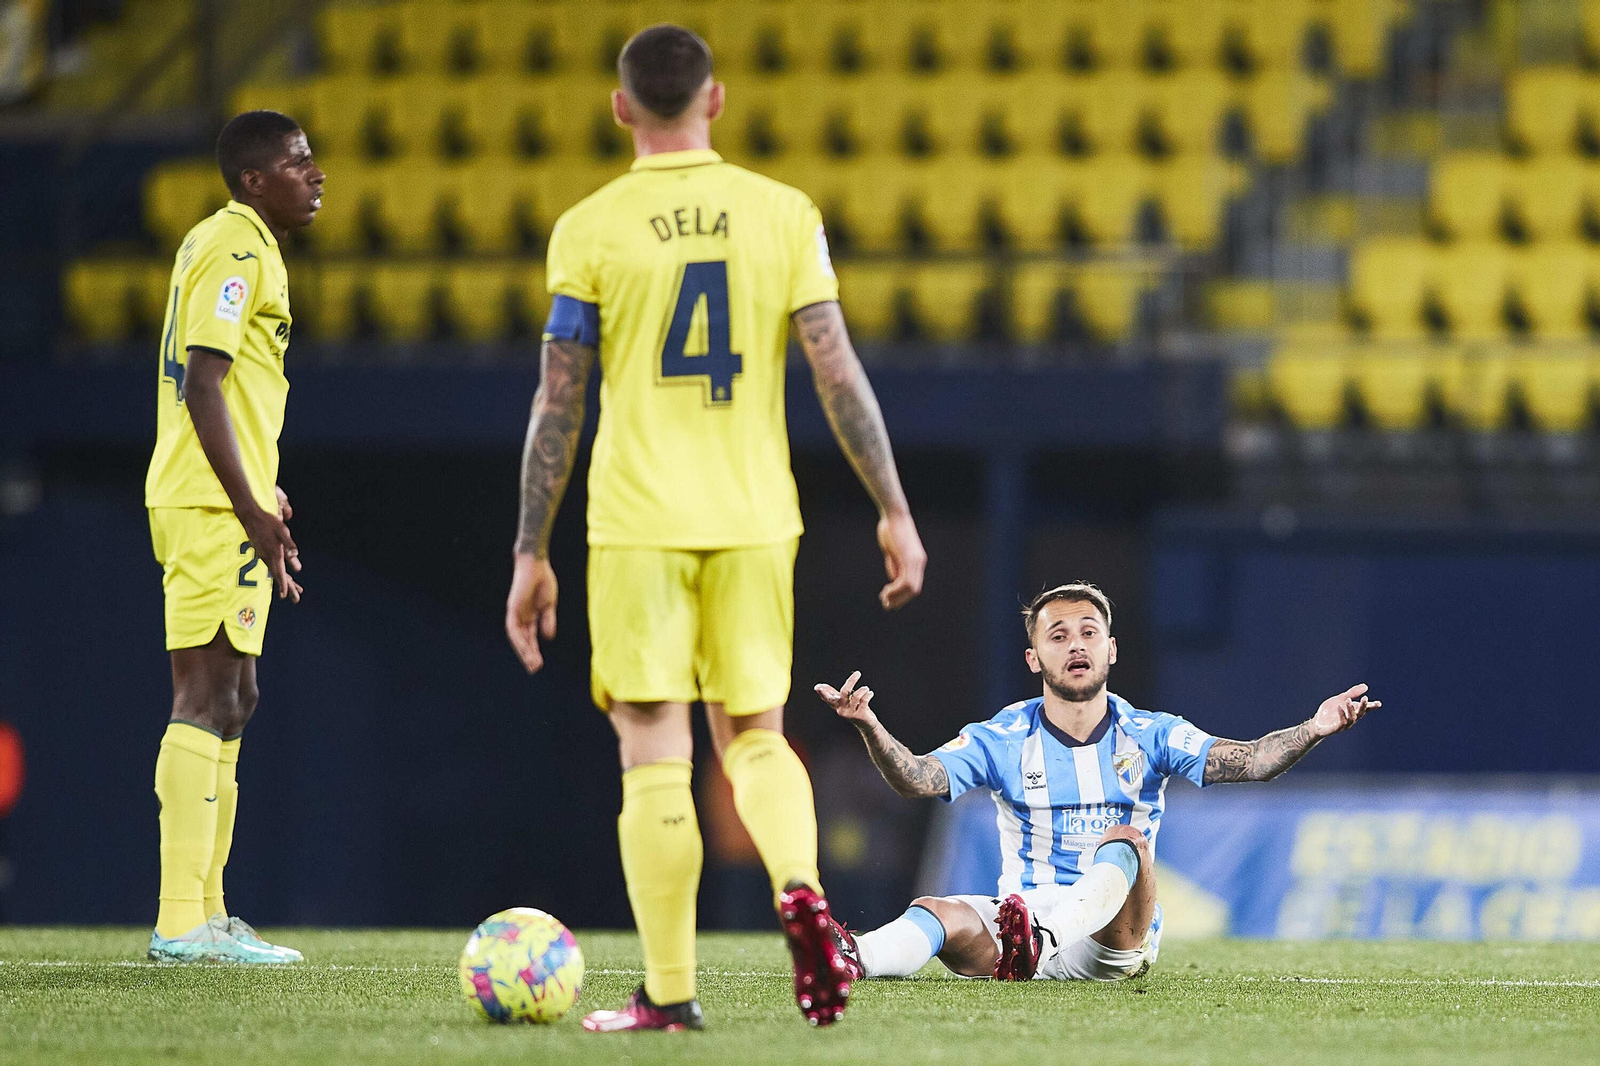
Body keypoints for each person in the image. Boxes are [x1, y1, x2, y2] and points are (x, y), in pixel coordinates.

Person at [504, 24, 927, 1032]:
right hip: (753, 516)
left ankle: (668, 991)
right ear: (715, 99)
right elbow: (836, 371)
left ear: (621, 108)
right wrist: (894, 507)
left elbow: (558, 400)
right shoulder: (784, 213)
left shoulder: (590, 227)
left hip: (638, 522)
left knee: (655, 749)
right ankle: (802, 892)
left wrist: (529, 548)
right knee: (756, 739)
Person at [815, 581, 1379, 983]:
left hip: (1112, 937)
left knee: (1126, 838)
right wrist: (869, 726)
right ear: (1034, 657)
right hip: (1019, 923)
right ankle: (852, 958)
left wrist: (1314, 728)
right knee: (937, 911)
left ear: (1110, 649)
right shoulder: (1002, 736)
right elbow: (917, 779)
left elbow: (1249, 761)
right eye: (1058, 636)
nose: (1076, 645)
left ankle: (1041, 940)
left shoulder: (1152, 733)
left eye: (1089, 632)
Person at [143, 110, 323, 963]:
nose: (316, 175)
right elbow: (203, 383)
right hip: (211, 504)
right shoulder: (237, 249)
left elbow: (229, 390)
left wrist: (261, 487)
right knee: (203, 693)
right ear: (255, 179)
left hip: (229, 495)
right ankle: (182, 920)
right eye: (297, 162)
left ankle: (210, 915)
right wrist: (248, 505)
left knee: (236, 697)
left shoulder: (236, 244)